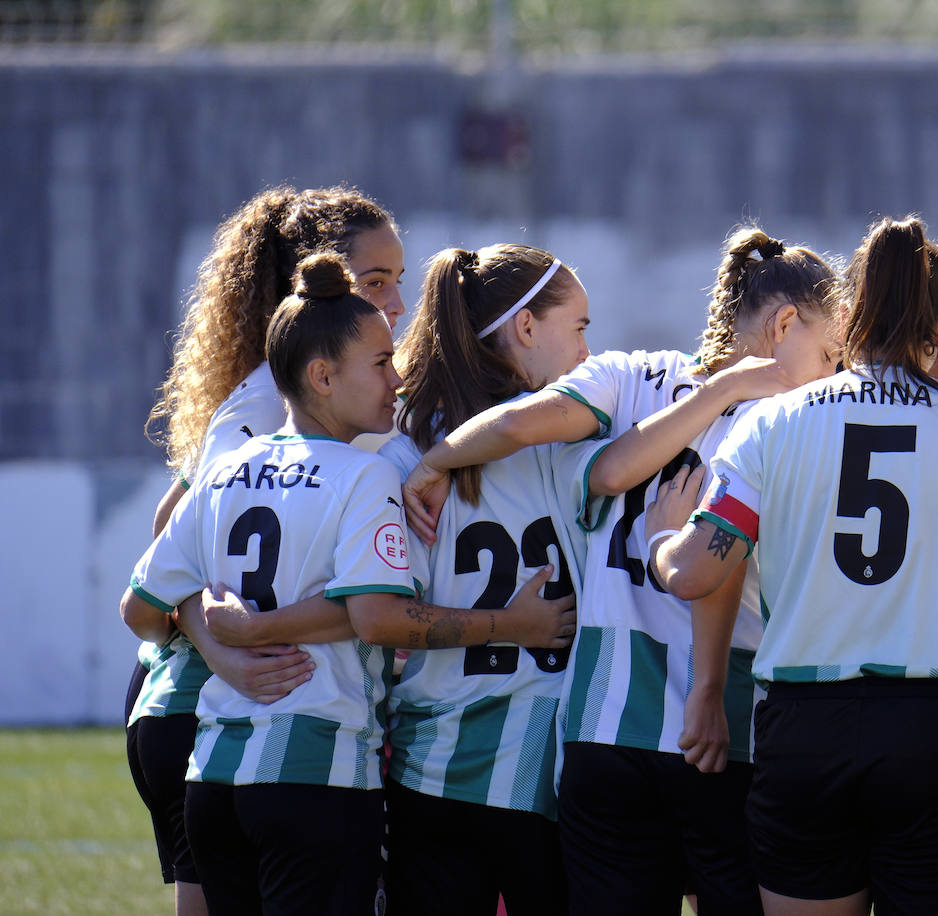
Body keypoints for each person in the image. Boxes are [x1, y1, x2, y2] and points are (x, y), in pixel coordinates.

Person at [402, 226, 843, 915]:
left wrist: (436, 460)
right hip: (719, 726)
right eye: (828, 351)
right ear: (785, 323)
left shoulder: (629, 373)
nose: (833, 371)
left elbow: (549, 439)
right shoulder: (789, 421)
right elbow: (717, 564)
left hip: (599, 730)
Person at [120, 254, 574, 915]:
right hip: (315, 769)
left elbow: (140, 608)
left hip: (213, 775)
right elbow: (378, 618)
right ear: (322, 376)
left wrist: (226, 648)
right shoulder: (364, 477)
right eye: (381, 364)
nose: (397, 380)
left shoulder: (226, 469)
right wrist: (513, 625)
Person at [647, 215, 938, 915]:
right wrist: (928, 592)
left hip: (808, 730)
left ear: (848, 314)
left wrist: (662, 539)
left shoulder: (773, 422)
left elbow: (695, 573)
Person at [124, 185, 407, 916]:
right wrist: (230, 645)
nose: (396, 303)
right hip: (217, 704)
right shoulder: (266, 408)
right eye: (375, 283)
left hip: (230, 720)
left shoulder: (315, 408)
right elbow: (170, 532)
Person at [372, 244, 592, 914]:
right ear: (526, 328)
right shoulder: (576, 436)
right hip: (542, 764)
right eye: (579, 327)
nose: (588, 352)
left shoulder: (399, 447)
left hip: (427, 762)